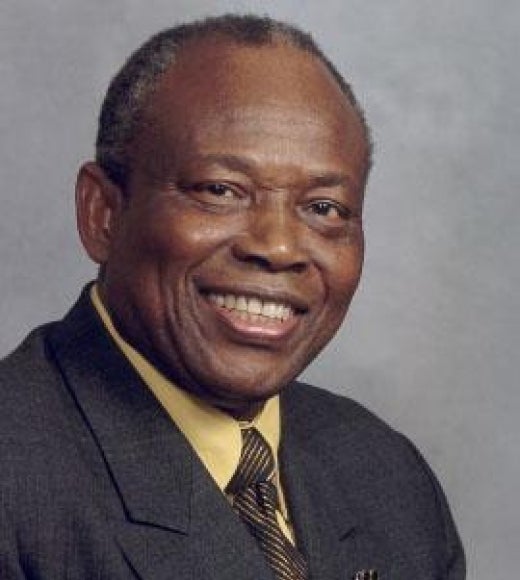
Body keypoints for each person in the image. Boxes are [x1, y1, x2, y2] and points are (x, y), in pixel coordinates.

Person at [0, 14, 465, 580]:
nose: (277, 247)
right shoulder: (16, 480)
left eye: (323, 208)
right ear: (103, 213)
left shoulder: (388, 476)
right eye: (221, 191)